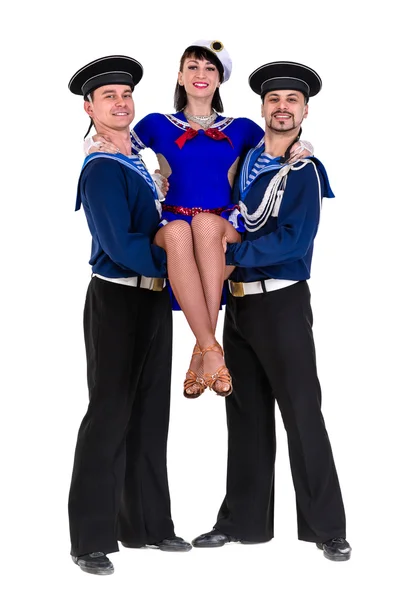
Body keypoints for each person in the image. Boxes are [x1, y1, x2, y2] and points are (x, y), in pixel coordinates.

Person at [86, 41, 313, 399]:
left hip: (222, 227)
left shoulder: (241, 128)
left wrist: (304, 147)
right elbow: (117, 141)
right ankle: (208, 349)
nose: (200, 75)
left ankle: (202, 350)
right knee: (183, 235)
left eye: (210, 69)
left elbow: (276, 143)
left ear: (220, 79)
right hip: (174, 225)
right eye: (192, 67)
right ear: (180, 75)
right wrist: (93, 146)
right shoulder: (157, 123)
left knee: (208, 230)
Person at [192, 61, 352, 562]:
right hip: (238, 305)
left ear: (305, 110)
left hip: (281, 302)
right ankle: (241, 521)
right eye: (273, 100)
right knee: (244, 413)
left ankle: (328, 528)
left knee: (302, 412)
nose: (282, 108)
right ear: (263, 107)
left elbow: (294, 240)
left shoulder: (304, 170)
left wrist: (229, 256)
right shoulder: (248, 159)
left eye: (292, 101)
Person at [68, 55, 191, 576]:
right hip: (116, 298)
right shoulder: (99, 168)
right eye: (109, 96)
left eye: (126, 94)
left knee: (150, 414)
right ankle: (90, 540)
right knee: (109, 415)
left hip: (152, 299)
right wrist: (183, 267)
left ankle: (148, 526)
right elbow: (120, 245)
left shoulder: (139, 158)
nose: (121, 103)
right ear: (89, 106)